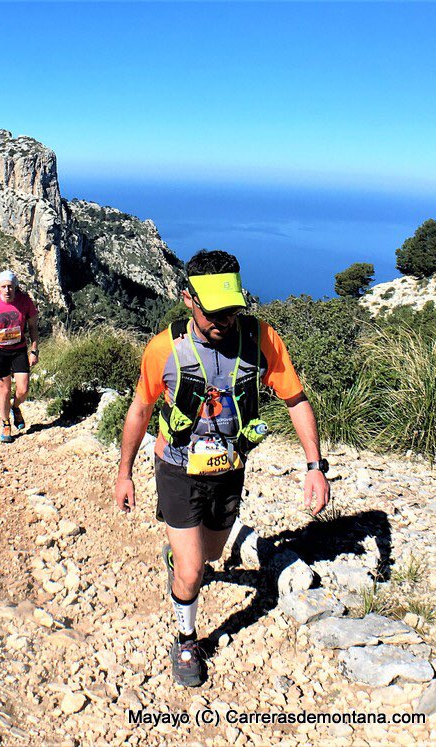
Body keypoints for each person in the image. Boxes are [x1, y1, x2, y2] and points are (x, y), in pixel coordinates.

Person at [113, 249, 330, 688]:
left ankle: (180, 555)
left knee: (212, 554)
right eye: (213, 312)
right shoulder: (164, 349)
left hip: (230, 469)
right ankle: (186, 640)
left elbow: (295, 399)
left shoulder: (261, 340)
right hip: (177, 467)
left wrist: (315, 466)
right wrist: (125, 473)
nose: (223, 321)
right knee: (193, 571)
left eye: (231, 310)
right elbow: (140, 409)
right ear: (187, 299)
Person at [0, 270, 39, 443]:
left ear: (15, 287)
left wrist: (34, 350)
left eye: (10, 287)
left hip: (19, 349)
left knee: (23, 389)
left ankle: (15, 407)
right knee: (4, 390)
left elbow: (33, 327)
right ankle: (6, 424)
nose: (7, 290)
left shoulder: (25, 301)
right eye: (3, 287)